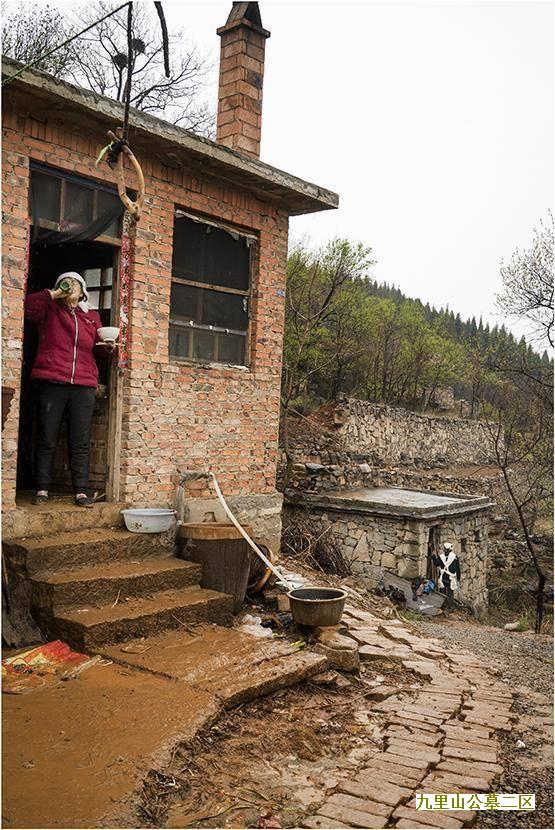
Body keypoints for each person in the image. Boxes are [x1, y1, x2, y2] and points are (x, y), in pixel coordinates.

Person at [24, 272, 115, 507]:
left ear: (83, 290)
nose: (70, 287)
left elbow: (98, 350)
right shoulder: (49, 310)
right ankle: (42, 488)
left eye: (75, 284)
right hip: (52, 381)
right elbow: (27, 306)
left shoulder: (91, 316)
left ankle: (81, 491)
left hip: (83, 385)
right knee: (47, 437)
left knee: (80, 441)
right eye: (66, 283)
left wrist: (108, 347)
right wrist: (54, 294)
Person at [432, 542, 461, 610]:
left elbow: (436, 563)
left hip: (443, 577)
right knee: (450, 593)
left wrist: (433, 556)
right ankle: (450, 606)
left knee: (443, 591)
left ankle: (443, 605)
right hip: (451, 578)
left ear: (444, 549)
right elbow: (458, 568)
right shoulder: (455, 557)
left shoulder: (441, 557)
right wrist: (458, 578)